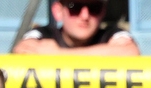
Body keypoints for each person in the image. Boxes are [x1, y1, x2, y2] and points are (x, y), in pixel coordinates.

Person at [13, 0, 141, 55]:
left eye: (94, 8)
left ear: (103, 12)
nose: (85, 16)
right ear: (58, 11)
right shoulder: (44, 33)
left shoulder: (112, 34)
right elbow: (21, 50)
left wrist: (57, 54)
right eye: (75, 7)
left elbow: (131, 52)